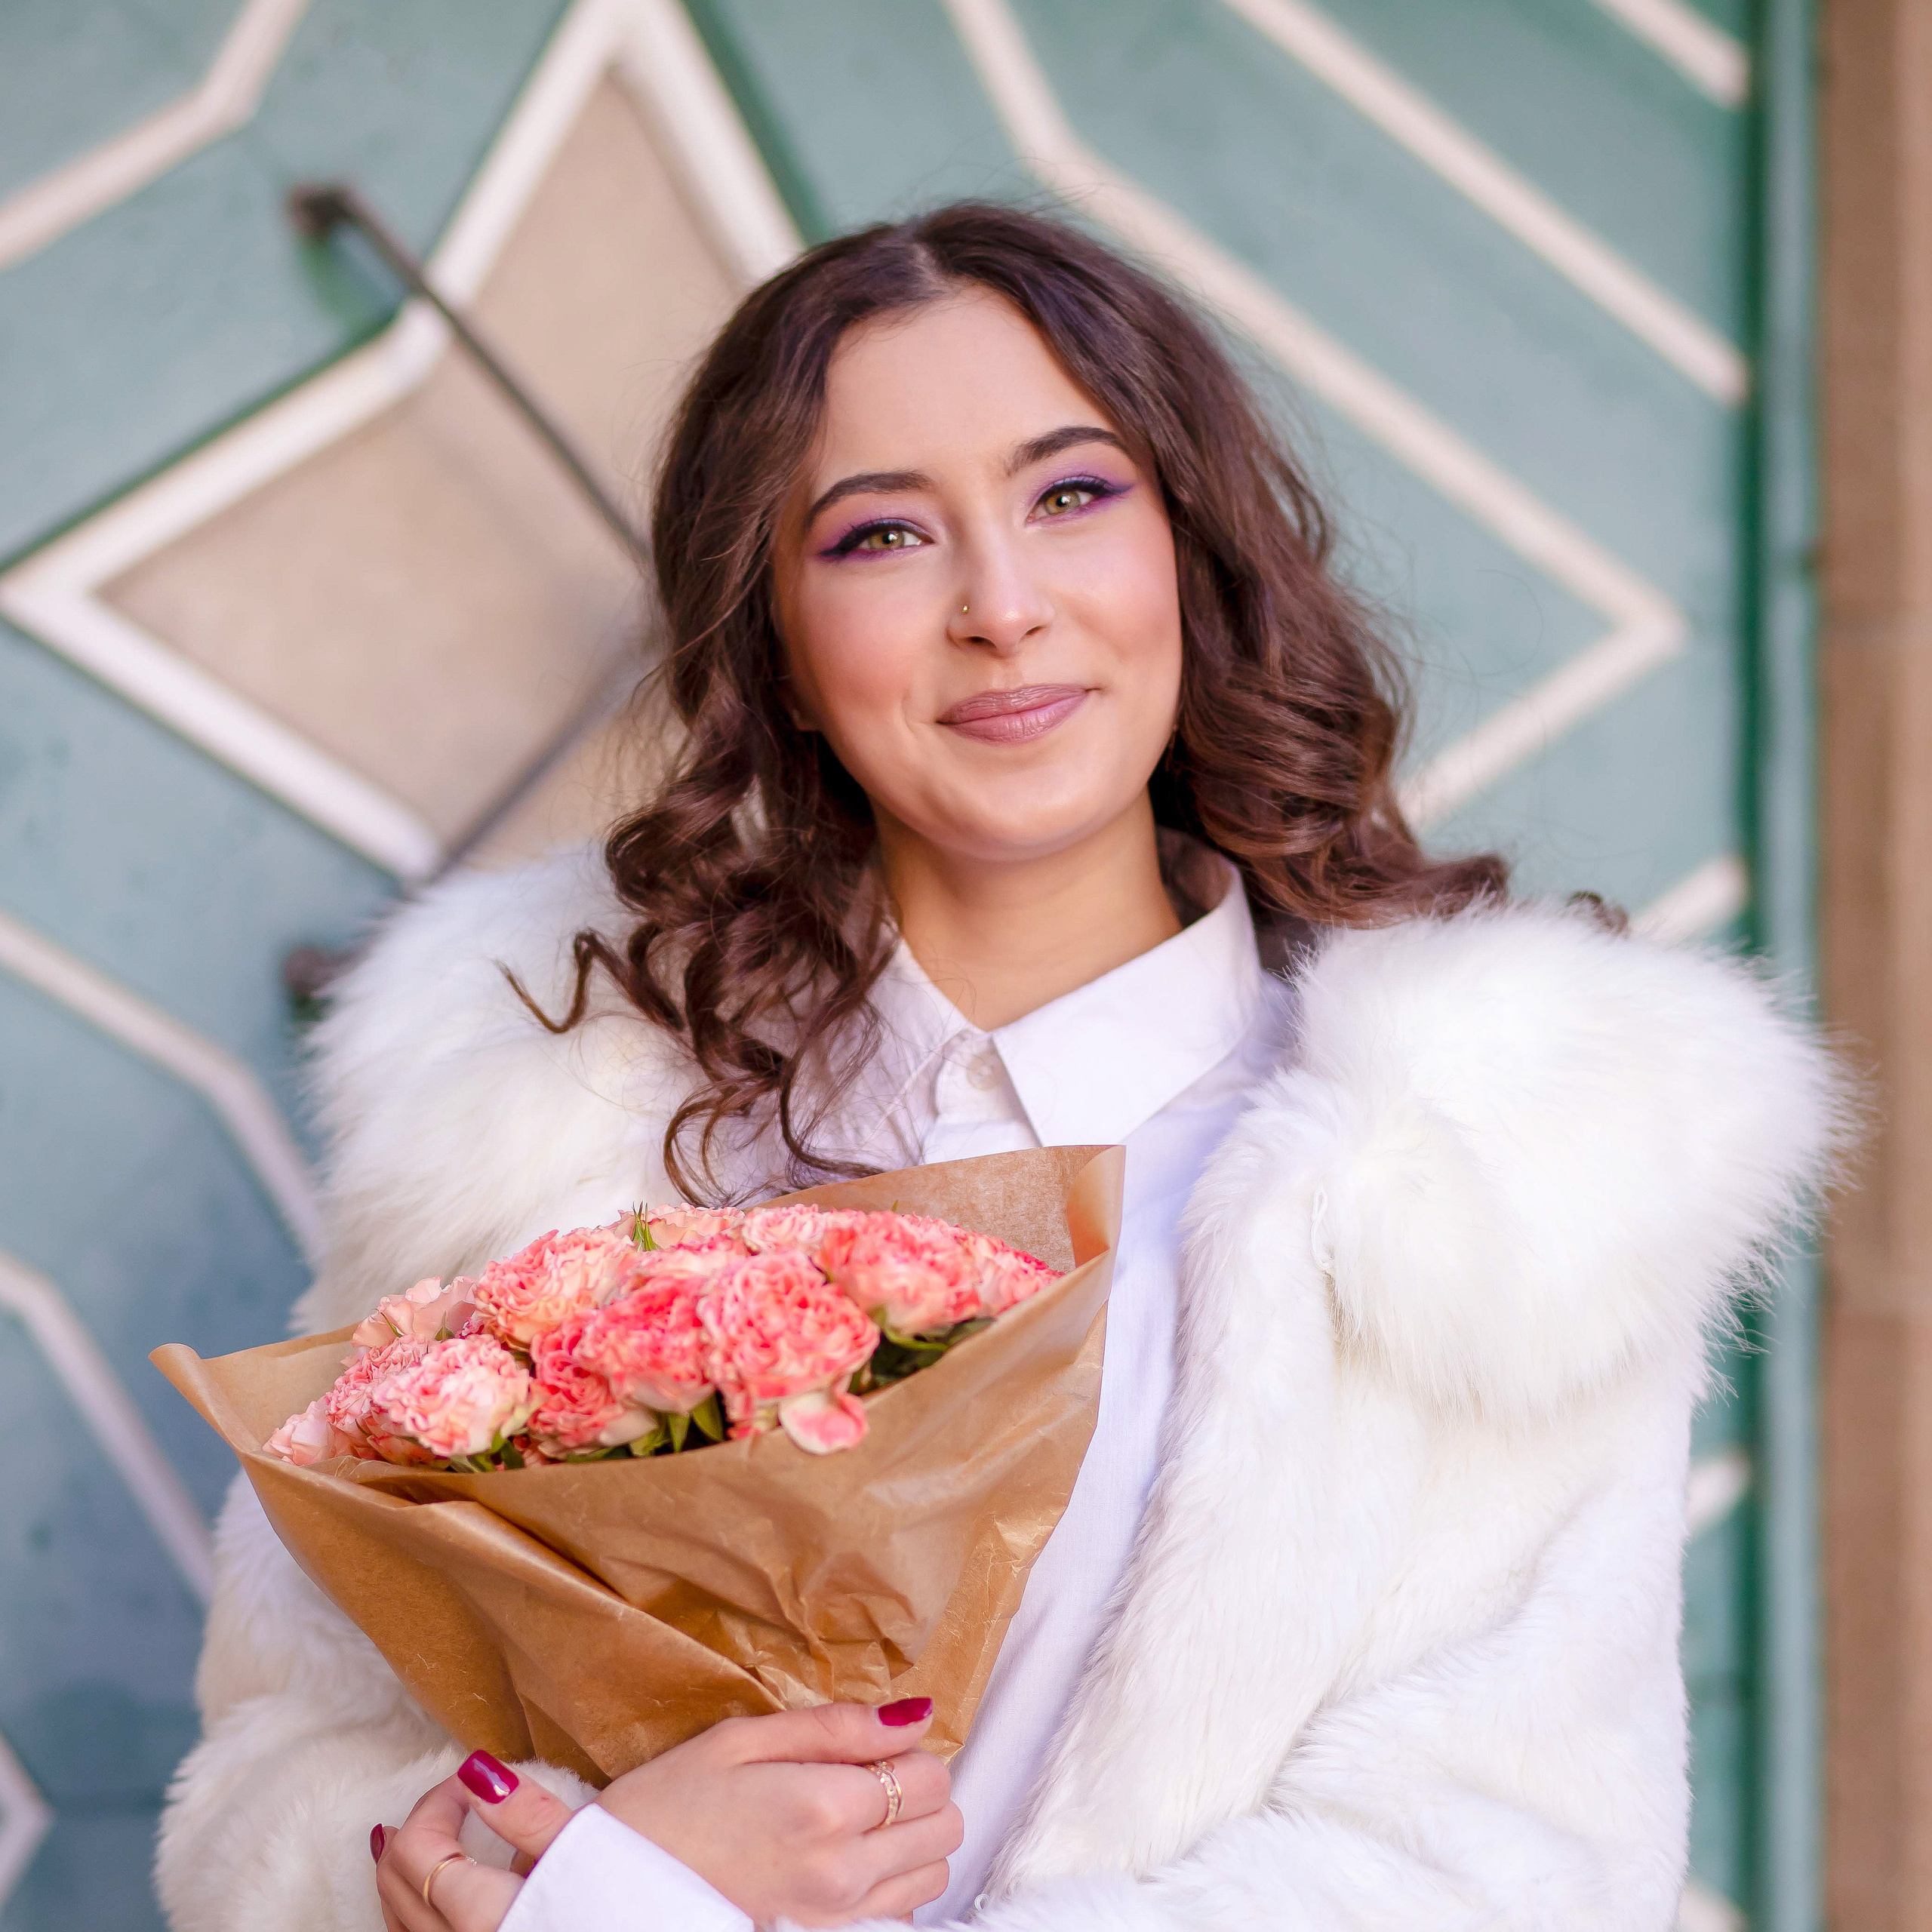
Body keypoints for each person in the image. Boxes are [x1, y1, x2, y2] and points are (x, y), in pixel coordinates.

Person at [155, 202, 1839, 1932]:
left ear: (1187, 549)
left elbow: (1510, 1873)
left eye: (1071, 494)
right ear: (782, 656)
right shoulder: (543, 1121)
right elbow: (285, 1770)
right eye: (881, 535)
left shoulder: (1494, 1183)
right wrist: (509, 1879)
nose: (1001, 606)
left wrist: (650, 1911)